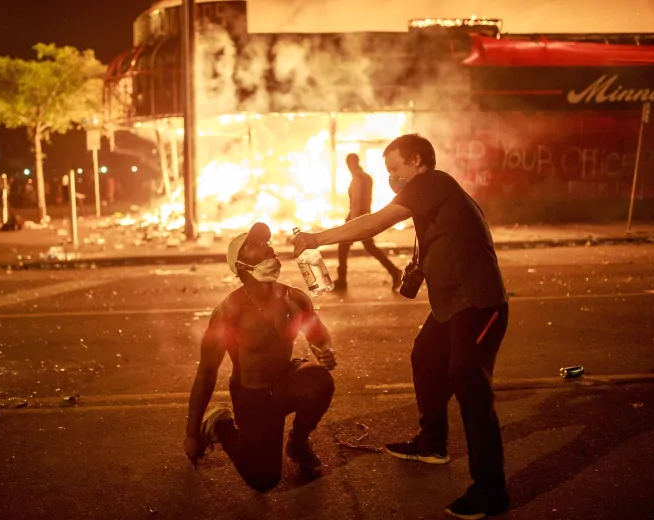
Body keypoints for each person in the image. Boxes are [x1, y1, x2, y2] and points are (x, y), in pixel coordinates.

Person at [294, 134, 510, 519]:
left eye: (395, 168)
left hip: (477, 305)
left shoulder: (433, 182)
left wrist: (317, 238)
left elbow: (375, 223)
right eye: (388, 171)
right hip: (451, 308)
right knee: (426, 358)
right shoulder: (433, 199)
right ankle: (432, 442)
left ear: (417, 161)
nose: (392, 178)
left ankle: (491, 491)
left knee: (470, 386)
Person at [184, 222, 337, 492]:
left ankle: (298, 443)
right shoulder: (229, 312)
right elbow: (207, 373)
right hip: (252, 396)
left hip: (284, 382)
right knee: (264, 480)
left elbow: (318, 335)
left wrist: (323, 350)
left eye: (267, 243)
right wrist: (191, 432)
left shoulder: (294, 297)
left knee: (319, 381)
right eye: (254, 245)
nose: (267, 247)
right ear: (240, 266)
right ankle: (220, 424)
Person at [335, 153, 402, 292]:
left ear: (350, 164)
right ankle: (394, 271)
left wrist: (351, 224)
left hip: (357, 218)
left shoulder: (358, 179)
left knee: (345, 248)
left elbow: (356, 202)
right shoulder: (366, 177)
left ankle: (342, 280)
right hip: (364, 216)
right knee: (368, 248)